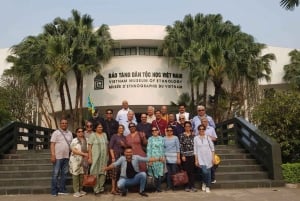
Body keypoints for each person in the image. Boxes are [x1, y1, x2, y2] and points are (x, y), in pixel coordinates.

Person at [50, 119, 73, 196]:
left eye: (65, 123)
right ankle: (54, 191)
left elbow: (71, 145)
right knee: (55, 174)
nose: (64, 124)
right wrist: (53, 155)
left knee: (64, 174)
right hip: (58, 157)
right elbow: (52, 144)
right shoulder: (56, 133)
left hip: (66, 157)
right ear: (60, 124)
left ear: (67, 124)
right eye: (62, 123)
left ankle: (62, 189)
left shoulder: (70, 133)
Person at [88, 123, 109, 195]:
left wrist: (107, 155)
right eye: (99, 127)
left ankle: (101, 188)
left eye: (101, 127)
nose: (100, 128)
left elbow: (106, 145)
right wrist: (90, 157)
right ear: (95, 128)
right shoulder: (92, 135)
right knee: (94, 173)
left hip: (103, 158)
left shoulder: (104, 135)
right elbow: (89, 147)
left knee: (103, 173)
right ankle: (96, 189)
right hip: (95, 157)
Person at [194, 125, 215, 193]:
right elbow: (195, 150)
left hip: (208, 157)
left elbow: (212, 148)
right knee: (204, 172)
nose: (201, 130)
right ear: (198, 130)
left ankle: (207, 186)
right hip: (200, 158)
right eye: (200, 129)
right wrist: (196, 160)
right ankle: (204, 182)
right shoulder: (196, 138)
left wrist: (213, 158)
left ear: (204, 130)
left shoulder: (208, 138)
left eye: (203, 129)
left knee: (208, 172)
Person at [69, 127, 89, 197]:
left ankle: (81, 190)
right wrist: (83, 154)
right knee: (75, 175)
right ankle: (76, 191)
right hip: (75, 160)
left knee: (82, 175)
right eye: (79, 131)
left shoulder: (86, 140)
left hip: (84, 160)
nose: (80, 133)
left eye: (82, 131)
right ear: (76, 133)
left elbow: (89, 149)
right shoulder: (74, 140)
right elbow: (74, 150)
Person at [108, 124, 127, 195]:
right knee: (114, 173)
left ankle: (117, 188)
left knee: (119, 173)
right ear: (117, 129)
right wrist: (112, 157)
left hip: (122, 157)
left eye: (122, 128)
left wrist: (123, 145)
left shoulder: (124, 137)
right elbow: (110, 148)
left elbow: (126, 147)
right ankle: (113, 189)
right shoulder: (114, 136)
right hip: (115, 157)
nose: (121, 129)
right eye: (120, 128)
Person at [179, 121, 197, 192]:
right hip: (185, 155)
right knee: (186, 171)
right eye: (186, 126)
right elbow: (181, 146)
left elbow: (195, 146)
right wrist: (182, 155)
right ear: (184, 127)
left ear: (190, 127)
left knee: (192, 171)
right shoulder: (181, 135)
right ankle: (187, 186)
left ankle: (192, 186)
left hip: (192, 155)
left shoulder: (193, 135)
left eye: (189, 126)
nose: (187, 127)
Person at [147, 126, 165, 192]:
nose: (154, 131)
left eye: (155, 130)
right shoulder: (150, 139)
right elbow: (148, 149)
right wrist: (149, 159)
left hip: (160, 158)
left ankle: (159, 187)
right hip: (153, 158)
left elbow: (163, 148)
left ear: (158, 131)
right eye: (153, 130)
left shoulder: (161, 138)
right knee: (153, 174)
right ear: (152, 132)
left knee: (160, 173)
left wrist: (163, 157)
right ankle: (153, 188)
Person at [201, 117, 218, 184]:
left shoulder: (211, 129)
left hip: (210, 149)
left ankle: (212, 178)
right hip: (202, 149)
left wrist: (208, 137)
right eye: (202, 121)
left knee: (211, 163)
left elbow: (215, 138)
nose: (204, 123)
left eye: (205, 121)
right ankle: (204, 180)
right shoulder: (199, 129)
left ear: (207, 122)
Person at [164, 125, 180, 190]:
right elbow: (163, 148)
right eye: (168, 130)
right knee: (168, 173)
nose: (169, 132)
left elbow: (178, 148)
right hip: (166, 157)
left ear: (172, 131)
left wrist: (178, 158)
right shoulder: (164, 138)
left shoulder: (175, 138)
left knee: (174, 172)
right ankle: (169, 186)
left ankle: (175, 185)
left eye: (171, 130)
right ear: (166, 131)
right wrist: (164, 157)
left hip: (174, 157)